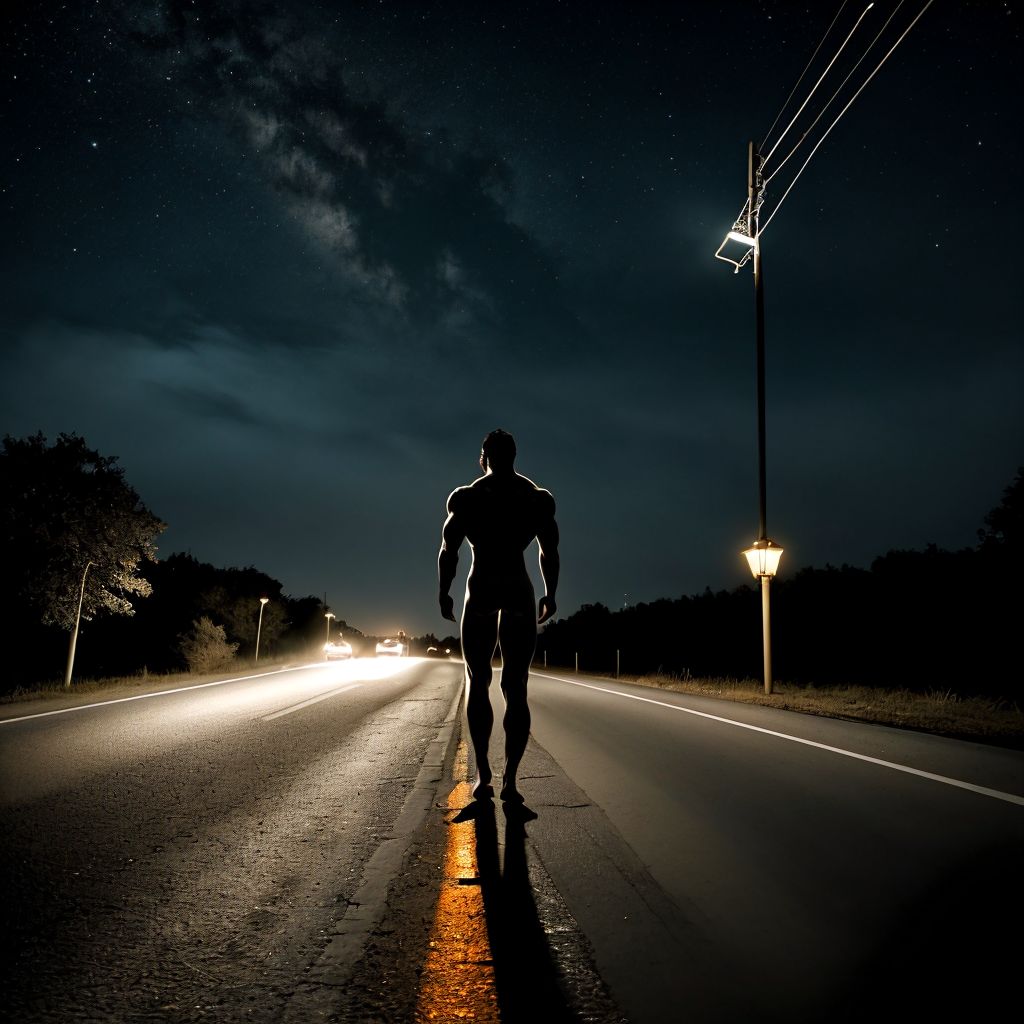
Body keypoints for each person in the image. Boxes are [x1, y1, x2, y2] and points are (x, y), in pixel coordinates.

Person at [438, 429, 560, 807]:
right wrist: (550, 593)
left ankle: (485, 776)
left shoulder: (467, 497)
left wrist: (444, 590)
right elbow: (548, 551)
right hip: (518, 590)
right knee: (516, 685)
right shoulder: (536, 498)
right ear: (514, 455)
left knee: (478, 680)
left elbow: (449, 550)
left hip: (483, 589)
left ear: (483, 456)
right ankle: (508, 779)